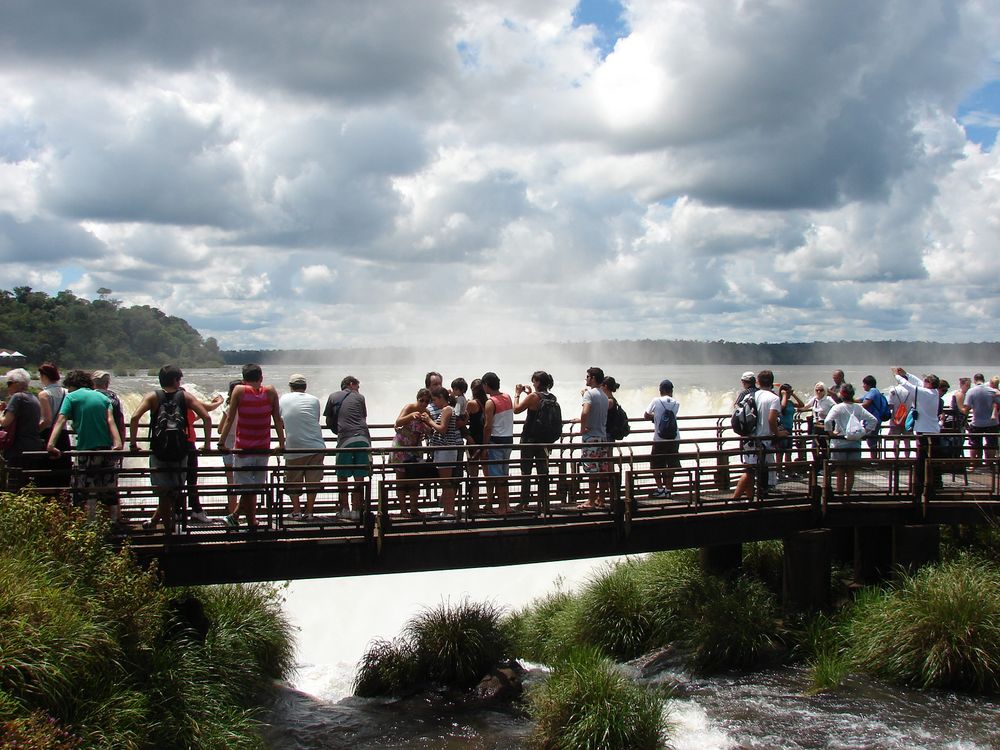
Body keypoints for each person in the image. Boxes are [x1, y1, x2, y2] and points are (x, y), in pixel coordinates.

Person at [128, 365, 212, 533]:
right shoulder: (185, 397)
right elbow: (207, 418)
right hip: (180, 450)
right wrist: (207, 444)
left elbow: (135, 417)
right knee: (176, 489)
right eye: (179, 379)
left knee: (163, 492)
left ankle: (169, 530)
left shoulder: (152, 396)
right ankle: (176, 528)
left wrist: (133, 444)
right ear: (175, 380)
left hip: (159, 450)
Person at [46, 369, 124, 524]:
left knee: (87, 488)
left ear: (72, 386)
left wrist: (51, 444)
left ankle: (90, 524)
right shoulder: (103, 397)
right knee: (109, 487)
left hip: (86, 450)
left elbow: (61, 421)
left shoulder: (71, 397)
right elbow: (110, 421)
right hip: (106, 449)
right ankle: (114, 523)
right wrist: (118, 443)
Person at [216, 364, 285, 531]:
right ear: (261, 377)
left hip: (243, 448)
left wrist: (221, 443)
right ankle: (247, 520)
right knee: (254, 488)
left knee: (248, 489)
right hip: (263, 448)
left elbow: (230, 418)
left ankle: (238, 517)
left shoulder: (239, 390)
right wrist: (282, 444)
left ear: (243, 379)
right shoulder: (270, 391)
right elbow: (277, 420)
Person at [732, 370, 785, 501]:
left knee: (751, 469)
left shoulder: (750, 396)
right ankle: (735, 499)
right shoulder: (773, 398)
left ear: (757, 382)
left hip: (749, 439)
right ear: (772, 382)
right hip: (763, 440)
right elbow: (772, 419)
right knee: (751, 472)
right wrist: (778, 433)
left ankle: (750, 498)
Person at [280, 374, 326, 521]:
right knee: (313, 481)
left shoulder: (283, 399)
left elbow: (282, 421)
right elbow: (315, 419)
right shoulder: (314, 400)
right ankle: (309, 512)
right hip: (317, 446)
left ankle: (296, 511)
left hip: (295, 447)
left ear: (290, 386)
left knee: (293, 480)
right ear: (305, 387)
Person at [325, 375, 371, 521]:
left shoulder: (333, 397)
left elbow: (328, 420)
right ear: (351, 384)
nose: (358, 389)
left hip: (345, 439)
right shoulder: (360, 397)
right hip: (363, 438)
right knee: (359, 476)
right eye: (357, 386)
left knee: (342, 475)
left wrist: (338, 430)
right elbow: (364, 417)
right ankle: (357, 510)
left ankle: (344, 509)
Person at [892, 367, 942, 498]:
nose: (923, 382)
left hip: (924, 431)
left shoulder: (924, 393)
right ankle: (935, 483)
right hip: (934, 430)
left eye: (926, 381)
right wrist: (906, 374)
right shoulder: (934, 392)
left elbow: (908, 386)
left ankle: (920, 487)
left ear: (929, 384)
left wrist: (897, 376)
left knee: (921, 460)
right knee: (933, 459)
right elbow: (918, 383)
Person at [825, 383, 878, 495]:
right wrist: (864, 431)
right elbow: (873, 420)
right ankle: (848, 494)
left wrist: (831, 433)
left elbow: (827, 421)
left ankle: (839, 494)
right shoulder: (858, 408)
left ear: (842, 395)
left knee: (840, 470)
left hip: (839, 443)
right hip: (855, 442)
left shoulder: (837, 407)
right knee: (850, 471)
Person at [514, 370, 555, 511]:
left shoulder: (533, 396)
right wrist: (529, 394)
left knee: (526, 471)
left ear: (538, 382)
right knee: (543, 470)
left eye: (534, 380)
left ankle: (524, 502)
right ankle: (544, 501)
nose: (533, 383)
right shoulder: (551, 397)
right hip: (544, 440)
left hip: (529, 439)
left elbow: (516, 409)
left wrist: (517, 394)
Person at [391, 388, 433, 518]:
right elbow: (397, 422)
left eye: (427, 401)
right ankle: (403, 510)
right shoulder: (409, 407)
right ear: (417, 398)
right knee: (401, 480)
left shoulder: (426, 412)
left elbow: (430, 431)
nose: (424, 404)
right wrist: (411, 416)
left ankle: (414, 508)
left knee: (415, 479)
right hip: (401, 447)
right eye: (421, 401)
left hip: (415, 449)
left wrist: (426, 422)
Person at [1, 368, 44, 490]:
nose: (7, 387)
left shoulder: (17, 397)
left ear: (18, 384)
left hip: (18, 448)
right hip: (33, 446)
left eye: (9, 383)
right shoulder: (33, 398)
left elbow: (5, 422)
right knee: (28, 484)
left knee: (14, 485)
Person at [424, 386, 463, 517]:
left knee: (446, 482)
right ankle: (447, 511)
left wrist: (429, 421)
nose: (434, 403)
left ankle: (449, 512)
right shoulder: (446, 410)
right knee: (445, 482)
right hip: (445, 449)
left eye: (435, 400)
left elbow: (442, 429)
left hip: (446, 449)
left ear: (441, 398)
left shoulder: (447, 409)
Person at [578, 366, 610, 509]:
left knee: (592, 471)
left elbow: (585, 412)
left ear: (593, 378)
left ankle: (590, 501)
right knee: (602, 470)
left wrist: (582, 428)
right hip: (603, 437)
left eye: (587, 376)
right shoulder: (604, 396)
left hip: (591, 438)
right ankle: (601, 499)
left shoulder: (589, 394)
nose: (586, 378)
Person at [482, 372, 514, 514]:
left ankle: (502, 507)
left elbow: (488, 426)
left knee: (498, 477)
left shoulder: (490, 402)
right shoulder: (507, 397)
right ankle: (507, 505)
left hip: (496, 441)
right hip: (509, 440)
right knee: (504, 475)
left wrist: (484, 445)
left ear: (487, 385)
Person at [37, 362, 71, 491]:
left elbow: (47, 420)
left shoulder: (44, 395)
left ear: (44, 376)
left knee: (45, 472)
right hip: (63, 435)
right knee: (63, 471)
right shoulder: (67, 393)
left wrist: (35, 432)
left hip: (48, 435)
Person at [644, 378, 680, 498]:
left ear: (661, 390)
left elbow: (645, 415)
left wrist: (655, 417)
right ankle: (668, 489)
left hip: (659, 438)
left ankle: (660, 489)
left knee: (655, 464)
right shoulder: (676, 403)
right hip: (674, 438)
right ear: (671, 390)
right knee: (672, 464)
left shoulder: (656, 400)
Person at [215, 379, 243, 516]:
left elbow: (220, 430)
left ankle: (232, 512)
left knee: (230, 483)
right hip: (242, 446)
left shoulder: (228, 408)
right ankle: (241, 513)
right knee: (243, 482)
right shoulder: (246, 407)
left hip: (227, 447)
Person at [962, 373, 1000, 464]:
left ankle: (975, 464)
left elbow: (967, 409)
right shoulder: (992, 391)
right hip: (992, 422)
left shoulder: (971, 391)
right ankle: (989, 463)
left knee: (975, 444)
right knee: (991, 444)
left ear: (974, 380)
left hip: (977, 422)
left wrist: (963, 417)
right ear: (983, 379)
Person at [464, 378, 487, 512]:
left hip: (473, 441)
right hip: (485, 441)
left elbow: (462, 419)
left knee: (473, 475)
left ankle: (475, 504)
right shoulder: (489, 403)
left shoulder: (472, 404)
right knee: (487, 474)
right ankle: (488, 502)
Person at [800, 382, 835, 467]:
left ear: (825, 390)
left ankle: (825, 464)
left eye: (821, 390)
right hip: (815, 425)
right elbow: (806, 406)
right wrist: (797, 409)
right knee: (814, 445)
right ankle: (818, 464)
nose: (819, 392)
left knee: (824, 445)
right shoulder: (814, 399)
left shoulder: (828, 399)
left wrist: (828, 415)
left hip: (824, 424)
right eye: (817, 390)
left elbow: (836, 408)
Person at [776, 384, 804, 479]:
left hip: (790, 428)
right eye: (787, 392)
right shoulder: (779, 402)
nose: (789, 394)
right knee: (780, 452)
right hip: (782, 428)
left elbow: (801, 405)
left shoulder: (790, 402)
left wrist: (793, 395)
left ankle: (788, 471)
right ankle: (779, 472)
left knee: (789, 451)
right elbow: (782, 408)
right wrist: (783, 395)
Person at [860, 375, 889, 459]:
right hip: (873, 420)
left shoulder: (873, 391)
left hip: (873, 420)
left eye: (864, 384)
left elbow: (866, 404)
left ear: (868, 384)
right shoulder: (872, 392)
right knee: (871, 440)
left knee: (871, 441)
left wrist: (854, 409)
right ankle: (874, 460)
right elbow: (860, 400)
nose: (863, 386)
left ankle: (873, 461)